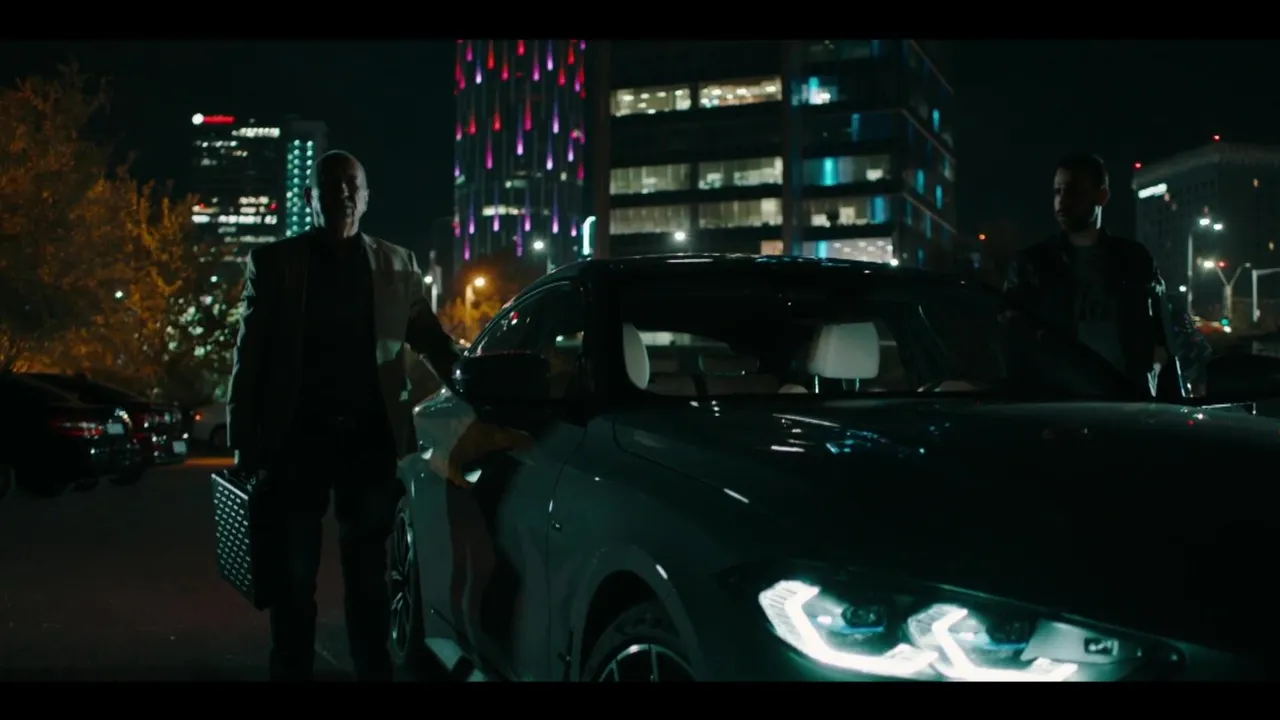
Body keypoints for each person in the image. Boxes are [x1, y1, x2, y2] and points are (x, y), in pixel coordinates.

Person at [226, 150, 461, 682]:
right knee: (292, 581)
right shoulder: (276, 264)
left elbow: (430, 339)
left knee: (369, 578)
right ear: (310, 197)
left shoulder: (397, 264)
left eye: (352, 185)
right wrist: (244, 443)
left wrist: (473, 379)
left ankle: (371, 672)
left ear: (367, 197)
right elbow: (250, 356)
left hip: (369, 444)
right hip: (296, 443)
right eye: (330, 185)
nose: (342, 194)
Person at [1003, 152, 1176, 397]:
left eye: (1073, 191)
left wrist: (1153, 372)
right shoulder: (1031, 264)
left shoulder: (1134, 259)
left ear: (1101, 196)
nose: (1062, 201)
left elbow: (1163, 334)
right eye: (1057, 191)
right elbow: (1012, 341)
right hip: (1059, 404)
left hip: (1126, 404)